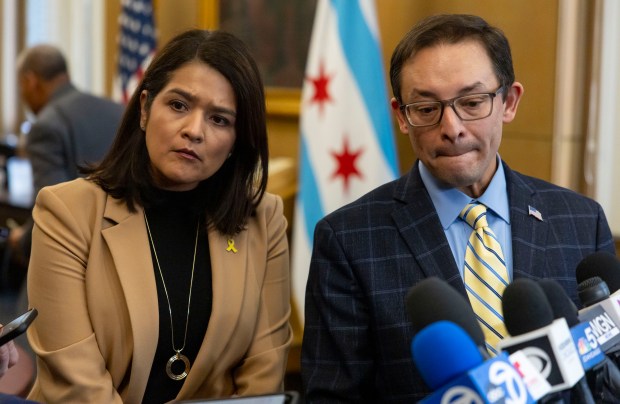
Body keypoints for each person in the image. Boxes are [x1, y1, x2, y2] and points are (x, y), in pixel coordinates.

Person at [301, 14, 616, 402]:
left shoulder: (581, 221)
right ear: (402, 116)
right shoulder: (348, 239)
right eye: (427, 108)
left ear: (509, 102)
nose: (452, 127)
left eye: (471, 102)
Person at [25, 29, 292, 403]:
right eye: (179, 105)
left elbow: (263, 374)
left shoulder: (264, 218)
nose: (193, 131)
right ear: (146, 108)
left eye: (219, 120)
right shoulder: (66, 212)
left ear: (236, 141)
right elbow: (77, 383)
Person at [8, 44, 124, 269]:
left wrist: (20, 241)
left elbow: (52, 211)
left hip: (73, 260)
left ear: (31, 81)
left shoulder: (45, 125)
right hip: (125, 251)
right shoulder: (118, 110)